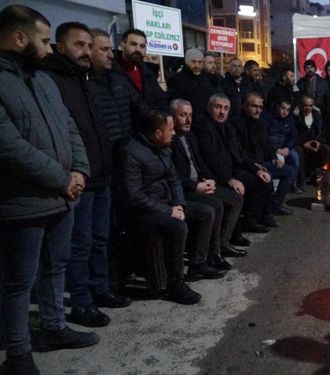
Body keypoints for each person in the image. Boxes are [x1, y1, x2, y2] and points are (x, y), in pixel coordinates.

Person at [0, 5, 97, 373]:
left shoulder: (42, 80)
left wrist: (80, 171)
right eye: (44, 40)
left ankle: (55, 326)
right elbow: (9, 147)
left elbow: (70, 128)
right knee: (18, 283)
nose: (49, 48)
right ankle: (18, 353)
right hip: (23, 202)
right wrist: (63, 178)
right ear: (19, 38)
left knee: (57, 267)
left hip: (62, 197)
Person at [46, 22, 130, 328]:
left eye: (87, 46)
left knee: (99, 238)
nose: (86, 51)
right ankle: (81, 302)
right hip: (80, 178)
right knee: (79, 245)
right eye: (80, 45)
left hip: (102, 174)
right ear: (61, 46)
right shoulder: (54, 81)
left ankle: (100, 289)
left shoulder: (87, 80)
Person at [117, 110, 220, 300]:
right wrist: (168, 210)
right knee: (178, 227)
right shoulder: (130, 153)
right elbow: (134, 195)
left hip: (167, 203)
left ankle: (198, 264)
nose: (174, 133)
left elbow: (173, 179)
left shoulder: (163, 147)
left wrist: (179, 204)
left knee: (207, 211)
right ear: (157, 133)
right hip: (144, 210)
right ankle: (175, 283)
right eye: (170, 129)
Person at [169, 99, 245, 263]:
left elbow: (200, 162)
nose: (188, 120)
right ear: (172, 117)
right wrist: (196, 186)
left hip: (199, 184)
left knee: (235, 197)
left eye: (190, 115)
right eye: (183, 115)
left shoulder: (189, 136)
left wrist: (209, 179)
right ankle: (210, 255)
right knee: (215, 205)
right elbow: (172, 175)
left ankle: (222, 244)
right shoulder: (170, 140)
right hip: (185, 190)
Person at [195, 94, 275, 232]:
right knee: (244, 187)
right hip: (216, 175)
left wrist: (256, 169)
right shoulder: (203, 126)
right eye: (218, 107)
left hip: (232, 170)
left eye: (226, 108)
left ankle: (252, 220)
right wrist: (229, 179)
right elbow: (211, 157)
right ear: (209, 108)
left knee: (263, 180)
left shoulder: (227, 127)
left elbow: (239, 152)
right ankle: (235, 231)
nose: (222, 111)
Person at [234, 93, 296, 214]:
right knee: (266, 177)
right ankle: (264, 212)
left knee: (289, 171)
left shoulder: (261, 123)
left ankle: (275, 205)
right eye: (254, 106)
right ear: (245, 106)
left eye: (260, 107)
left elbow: (266, 144)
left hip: (262, 162)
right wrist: (255, 166)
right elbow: (239, 151)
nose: (258, 110)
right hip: (248, 165)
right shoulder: (237, 124)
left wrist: (273, 157)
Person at [112, 28, 168, 110]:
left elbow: (160, 101)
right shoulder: (111, 71)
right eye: (133, 44)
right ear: (123, 45)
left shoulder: (148, 74)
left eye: (142, 46)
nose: (138, 49)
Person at [169, 48, 222, 123]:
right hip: (191, 122)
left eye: (200, 62)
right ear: (187, 62)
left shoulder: (206, 77)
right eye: (193, 62)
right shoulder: (178, 79)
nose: (197, 65)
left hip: (208, 121)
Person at [263, 98, 302, 194]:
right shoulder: (268, 117)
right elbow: (265, 137)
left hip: (285, 147)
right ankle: (275, 189)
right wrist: (276, 150)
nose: (285, 112)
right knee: (279, 161)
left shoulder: (290, 120)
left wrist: (287, 148)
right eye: (283, 108)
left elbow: (293, 136)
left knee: (295, 157)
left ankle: (292, 183)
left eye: (288, 110)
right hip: (272, 148)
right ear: (278, 107)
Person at [295, 95, 330, 185]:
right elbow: (294, 134)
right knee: (298, 152)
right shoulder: (296, 117)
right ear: (301, 105)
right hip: (302, 143)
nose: (308, 108)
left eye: (310, 105)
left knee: (326, 149)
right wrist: (304, 143)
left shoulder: (316, 115)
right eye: (306, 105)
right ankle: (301, 181)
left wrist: (318, 142)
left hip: (315, 142)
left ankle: (322, 178)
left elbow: (321, 130)